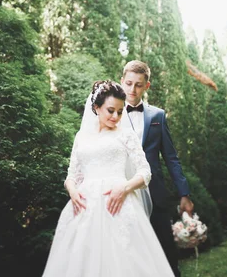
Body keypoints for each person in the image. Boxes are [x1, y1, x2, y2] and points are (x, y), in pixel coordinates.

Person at [42, 80, 174, 277]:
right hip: (85, 208)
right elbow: (71, 176)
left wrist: (125, 188)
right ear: (96, 108)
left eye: (120, 112)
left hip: (118, 205)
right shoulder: (81, 137)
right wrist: (72, 191)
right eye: (110, 110)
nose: (116, 116)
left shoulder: (126, 135)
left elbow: (145, 172)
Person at [120, 60, 194, 277]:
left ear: (147, 86)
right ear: (122, 81)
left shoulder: (157, 116)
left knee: (167, 256)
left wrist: (184, 194)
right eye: (129, 83)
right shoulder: (111, 114)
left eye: (139, 85)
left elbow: (171, 158)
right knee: (129, 256)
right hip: (125, 195)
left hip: (156, 195)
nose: (133, 90)